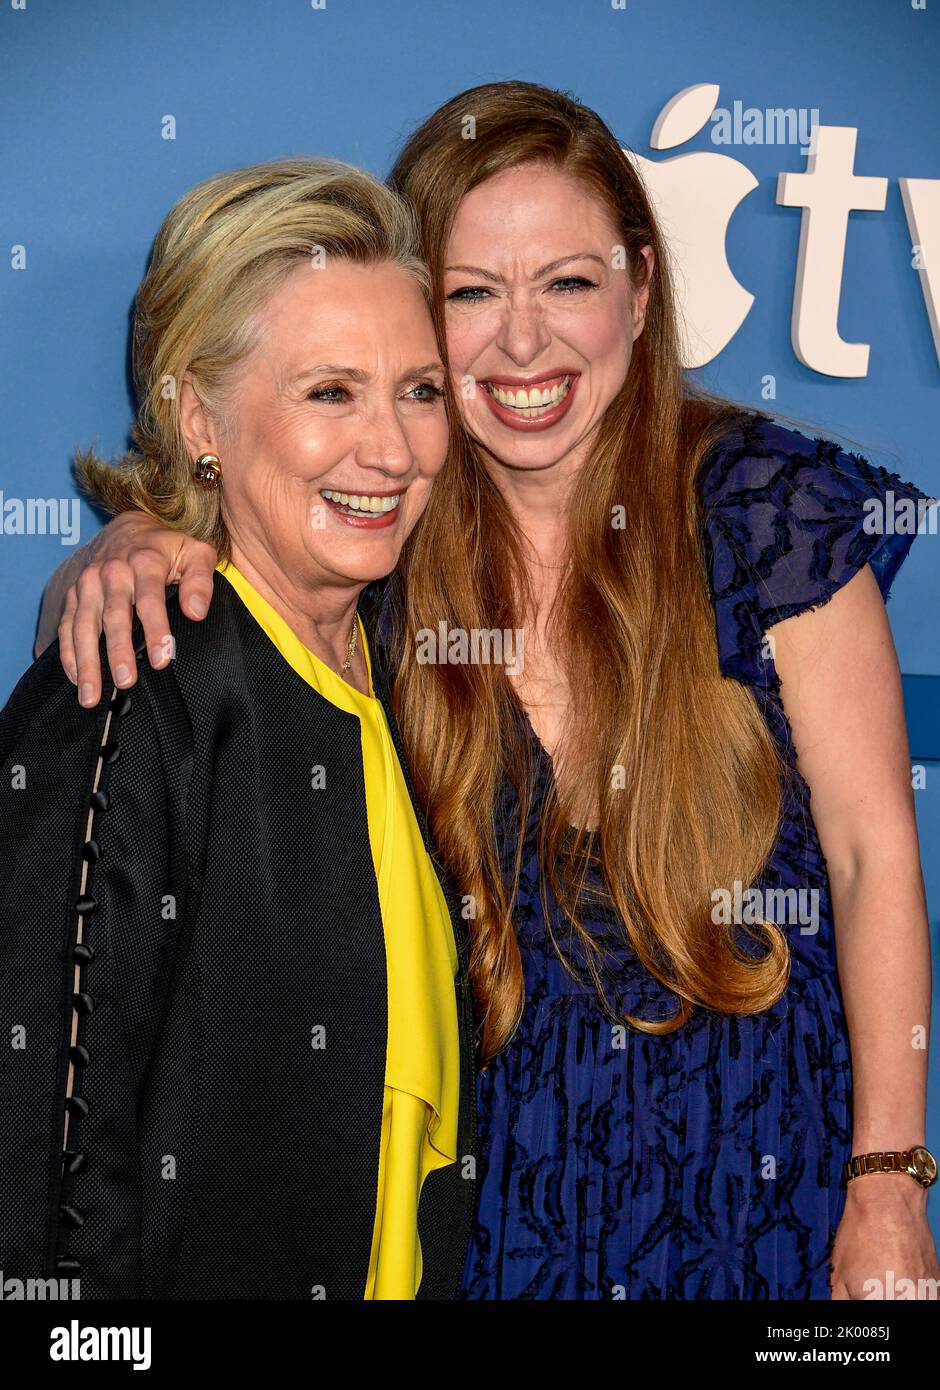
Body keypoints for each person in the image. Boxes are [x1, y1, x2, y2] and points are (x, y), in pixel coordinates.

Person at [36, 82, 940, 1300]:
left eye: (567, 282)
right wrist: (123, 546)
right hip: (499, 1220)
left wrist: (885, 1179)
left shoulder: (762, 511)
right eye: (471, 295)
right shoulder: (383, 560)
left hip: (762, 1199)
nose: (523, 344)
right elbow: (183, 640)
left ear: (638, 288)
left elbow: (873, 852)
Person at [0, 158, 478, 1301]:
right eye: (329, 393)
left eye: (418, 390)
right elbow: (40, 1157)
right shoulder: (134, 672)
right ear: (198, 416)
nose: (394, 450)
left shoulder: (410, 675)